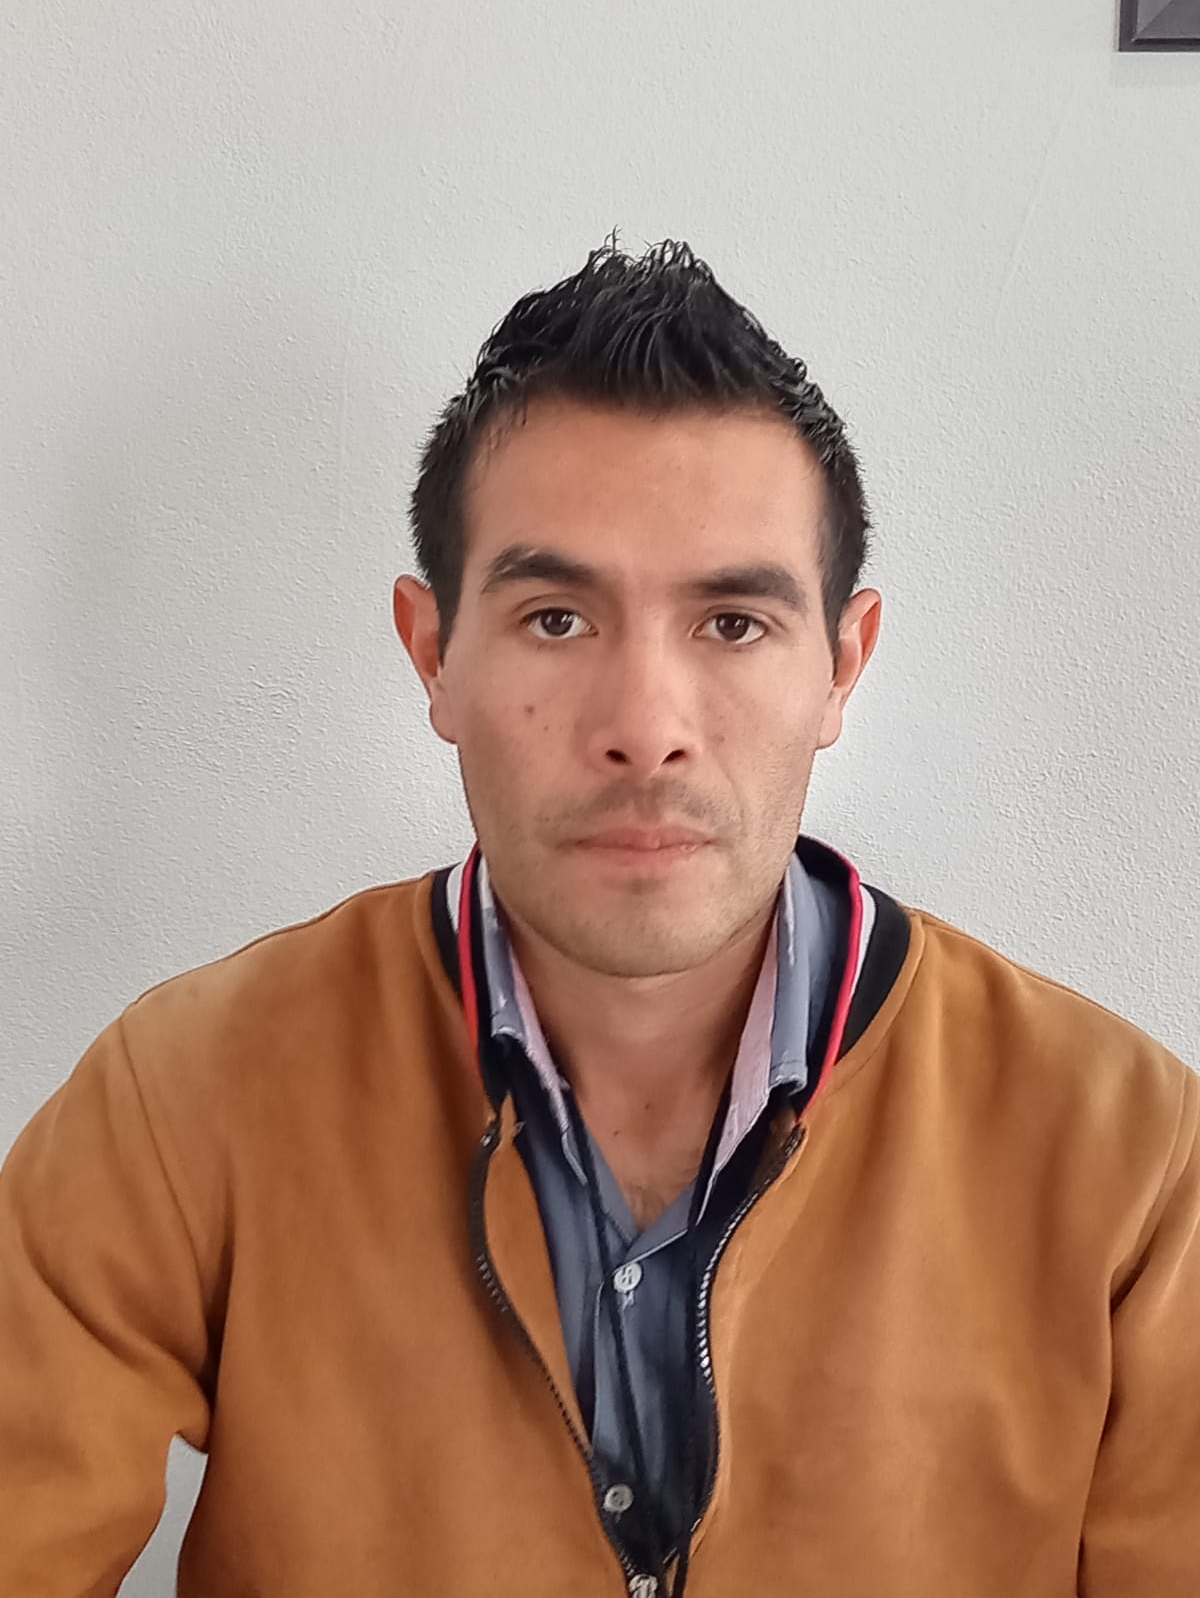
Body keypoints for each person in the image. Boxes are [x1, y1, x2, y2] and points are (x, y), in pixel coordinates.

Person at [1, 238, 1196, 1598]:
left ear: (841, 666)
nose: (644, 728)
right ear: (433, 652)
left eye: (732, 623)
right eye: (558, 619)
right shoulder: (188, 1096)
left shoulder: (1130, 1162)